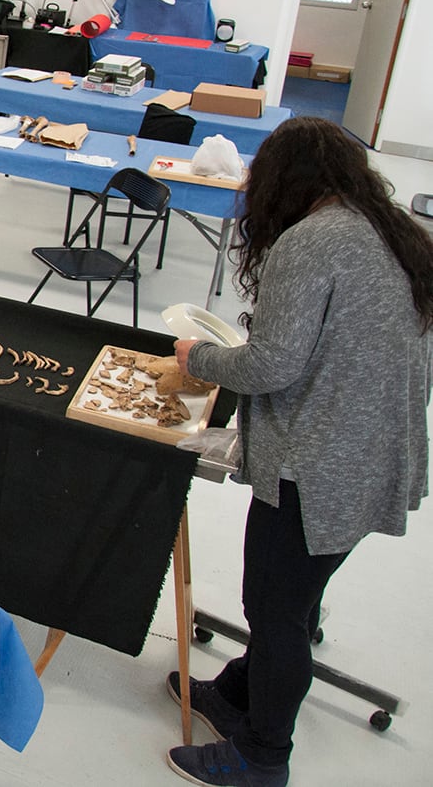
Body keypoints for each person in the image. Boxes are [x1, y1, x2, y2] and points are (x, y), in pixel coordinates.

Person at [166, 117, 432, 787]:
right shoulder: (391, 229)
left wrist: (195, 355)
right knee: (295, 596)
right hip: (371, 454)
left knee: (276, 607)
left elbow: (272, 364)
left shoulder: (313, 242)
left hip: (316, 466)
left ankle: (262, 754)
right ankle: (241, 692)